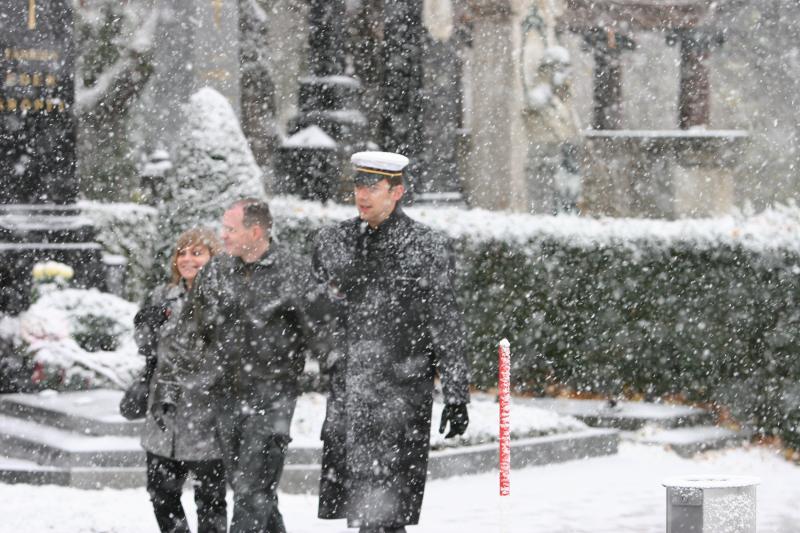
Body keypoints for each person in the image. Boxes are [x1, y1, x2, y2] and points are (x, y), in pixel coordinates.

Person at [312, 151, 471, 533]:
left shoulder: (424, 245)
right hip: (350, 395)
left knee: (386, 514)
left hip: (400, 397)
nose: (362, 194)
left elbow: (445, 322)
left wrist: (456, 392)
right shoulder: (334, 241)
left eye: (373, 186)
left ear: (396, 191)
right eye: (358, 184)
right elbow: (311, 313)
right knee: (367, 514)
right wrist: (330, 348)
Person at [188, 198, 312, 533]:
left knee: (252, 490)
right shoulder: (216, 271)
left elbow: (319, 330)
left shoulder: (293, 270)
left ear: (255, 231)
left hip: (273, 395)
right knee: (252, 490)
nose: (223, 236)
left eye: (230, 229)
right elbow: (199, 325)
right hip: (227, 394)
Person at [137, 227, 227, 533]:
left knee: (210, 498)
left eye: (197, 252)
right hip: (165, 413)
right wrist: (146, 324)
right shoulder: (163, 295)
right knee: (161, 493)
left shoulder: (225, 298)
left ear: (215, 258)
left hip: (206, 413)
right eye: (182, 252)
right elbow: (147, 348)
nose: (187, 259)